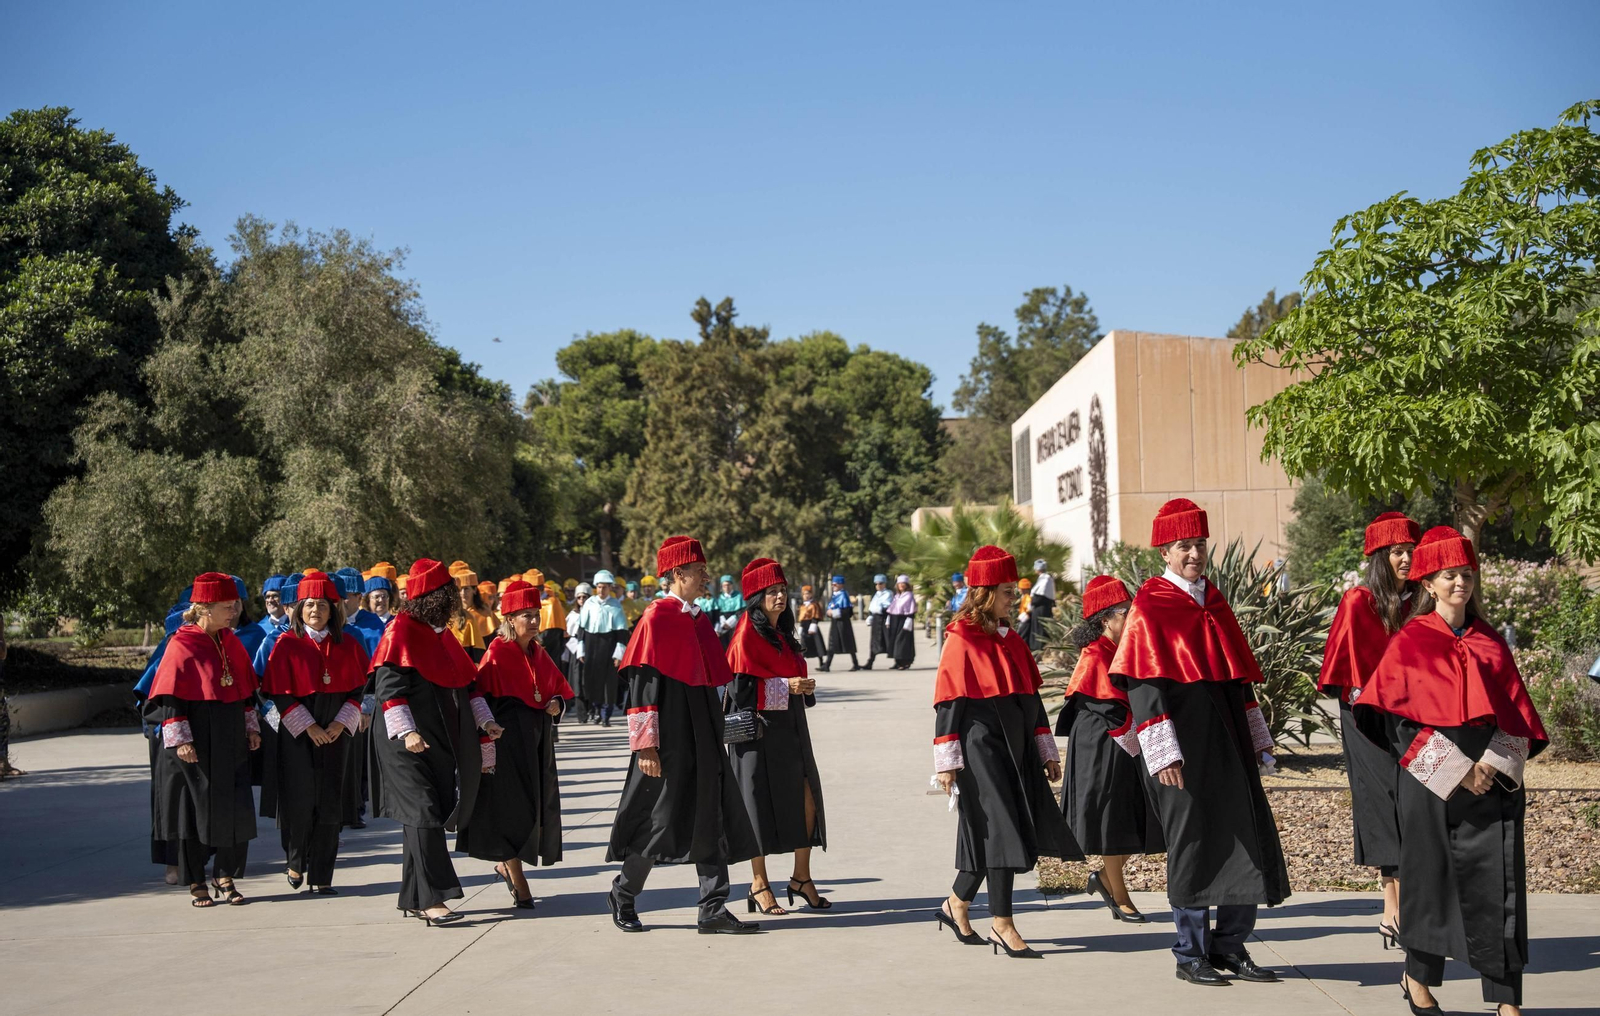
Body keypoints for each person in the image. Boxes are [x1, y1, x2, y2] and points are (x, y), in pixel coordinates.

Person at [1356, 526, 1547, 1016]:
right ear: (1428, 584)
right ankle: (1417, 979)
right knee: (1428, 883)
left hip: (1492, 780)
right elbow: (1395, 724)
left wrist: (1491, 766)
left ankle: (1507, 999)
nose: (1460, 583)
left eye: (1466, 574)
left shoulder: (1491, 643)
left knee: (1498, 884)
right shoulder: (1408, 642)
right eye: (1449, 576)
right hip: (1431, 781)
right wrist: (1456, 771)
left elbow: (1518, 718)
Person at [1110, 498, 1289, 986]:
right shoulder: (1151, 602)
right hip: (1181, 749)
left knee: (1242, 835)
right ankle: (1189, 952)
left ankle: (1230, 947)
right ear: (1165, 551)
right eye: (1184, 546)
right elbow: (1144, 685)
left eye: (1200, 544)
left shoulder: (1214, 600)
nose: (1194, 553)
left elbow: (1238, 679)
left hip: (1227, 740)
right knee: (1191, 843)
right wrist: (1161, 750)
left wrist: (1257, 737)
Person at [606, 535, 760, 935]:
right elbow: (641, 691)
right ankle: (624, 893)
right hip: (669, 737)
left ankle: (713, 908)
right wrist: (646, 746)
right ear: (678, 573)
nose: (706, 577)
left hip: (704, 735)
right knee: (658, 819)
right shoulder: (655, 619)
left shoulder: (698, 620)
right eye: (699, 571)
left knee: (710, 813)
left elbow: (711, 679)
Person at [931, 546, 1077, 957]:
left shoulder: (1010, 637)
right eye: (1009, 591)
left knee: (990, 829)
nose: (1015, 598)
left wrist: (1046, 748)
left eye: (1015, 591)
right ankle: (1003, 924)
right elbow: (949, 703)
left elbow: (1029, 697)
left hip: (1015, 745)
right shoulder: (960, 639)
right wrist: (947, 763)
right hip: (980, 746)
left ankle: (956, 904)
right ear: (985, 592)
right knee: (1000, 829)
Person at [369, 558, 505, 925]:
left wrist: (486, 721)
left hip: (439, 742)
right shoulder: (400, 631)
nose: (454, 598)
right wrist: (408, 731)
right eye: (447, 593)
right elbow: (388, 691)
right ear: (431, 597)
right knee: (424, 812)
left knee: (422, 817)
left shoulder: (443, 634)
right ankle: (435, 898)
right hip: (404, 742)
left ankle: (413, 896)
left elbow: (468, 686)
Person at [1318, 511, 1420, 946]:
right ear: (1380, 556)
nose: (1405, 559)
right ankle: (1390, 907)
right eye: (1397, 552)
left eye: (1411, 551)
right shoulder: (1358, 601)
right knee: (1382, 805)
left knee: (1413, 806)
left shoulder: (1421, 601)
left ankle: (1412, 903)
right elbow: (1349, 669)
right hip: (1366, 719)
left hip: (1414, 717)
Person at [144, 572, 262, 907]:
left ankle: (224, 873)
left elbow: (245, 693)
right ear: (205, 608)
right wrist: (182, 741)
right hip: (194, 742)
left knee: (232, 807)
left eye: (235, 605)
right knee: (194, 811)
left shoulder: (231, 641)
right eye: (227, 606)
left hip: (229, 739)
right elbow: (169, 700)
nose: (234, 611)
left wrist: (251, 728)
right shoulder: (181, 644)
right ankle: (196, 878)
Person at [458, 580, 573, 909]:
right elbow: (478, 694)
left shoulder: (539, 652)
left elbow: (555, 690)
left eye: (536, 615)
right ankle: (517, 877)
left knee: (534, 808)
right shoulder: (497, 651)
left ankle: (508, 865)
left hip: (536, 742)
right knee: (512, 810)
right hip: (507, 742)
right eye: (527, 616)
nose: (535, 622)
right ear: (509, 619)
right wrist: (488, 724)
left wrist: (556, 704)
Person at [726, 558, 830, 916]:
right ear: (756, 597)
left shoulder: (786, 634)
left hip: (791, 729)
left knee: (807, 800)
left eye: (783, 590)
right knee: (756, 805)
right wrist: (787, 686)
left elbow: (793, 680)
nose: (780, 597)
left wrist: (802, 687)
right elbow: (740, 692)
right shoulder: (744, 635)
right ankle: (759, 883)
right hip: (756, 736)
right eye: (772, 592)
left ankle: (802, 877)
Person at [1057, 576, 1162, 922]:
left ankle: (1105, 880)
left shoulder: (1122, 649)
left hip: (1124, 742)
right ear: (1105, 620)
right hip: (1102, 746)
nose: (1132, 617)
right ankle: (1119, 894)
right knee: (1111, 819)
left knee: (1131, 816)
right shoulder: (1094, 653)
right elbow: (1106, 706)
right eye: (1125, 612)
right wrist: (1139, 738)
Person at [259, 569, 368, 895]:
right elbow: (276, 693)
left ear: (333, 610)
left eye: (322, 605)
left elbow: (360, 690)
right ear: (299, 609)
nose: (316, 611)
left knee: (330, 803)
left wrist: (338, 724)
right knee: (300, 800)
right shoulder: (286, 644)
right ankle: (295, 860)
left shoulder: (348, 644)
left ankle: (322, 876)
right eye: (309, 605)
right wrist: (307, 726)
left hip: (337, 734)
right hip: (297, 735)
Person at [576, 570, 630, 726]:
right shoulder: (589, 603)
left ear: (610, 588)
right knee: (592, 680)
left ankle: (607, 714)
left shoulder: (615, 605)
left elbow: (621, 632)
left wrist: (619, 654)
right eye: (599, 587)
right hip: (592, 644)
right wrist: (581, 648)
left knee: (609, 682)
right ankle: (595, 710)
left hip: (609, 644)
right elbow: (582, 629)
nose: (601, 590)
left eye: (605, 587)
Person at [238, 574, 286, 659]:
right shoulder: (258, 629)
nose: (270, 600)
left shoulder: (296, 626)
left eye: (275, 596)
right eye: (267, 597)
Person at [450, 569, 490, 662]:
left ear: (475, 590)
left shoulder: (485, 614)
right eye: (460, 589)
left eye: (466, 589)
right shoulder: (447, 617)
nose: (463, 593)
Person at [824, 575, 861, 671]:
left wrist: (834, 613)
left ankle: (855, 663)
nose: (833, 586)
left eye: (835, 584)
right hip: (835, 623)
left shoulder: (844, 595)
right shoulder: (834, 596)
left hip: (843, 624)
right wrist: (829, 613)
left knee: (848, 643)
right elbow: (830, 607)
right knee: (832, 643)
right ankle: (827, 665)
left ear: (841, 585)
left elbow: (847, 611)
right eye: (832, 584)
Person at [886, 575, 917, 670]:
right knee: (894, 641)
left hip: (904, 620)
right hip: (894, 620)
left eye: (903, 583)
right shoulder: (897, 596)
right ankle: (897, 661)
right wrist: (888, 620)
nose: (901, 585)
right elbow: (892, 609)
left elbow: (911, 611)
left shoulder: (909, 595)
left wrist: (908, 621)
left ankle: (904, 662)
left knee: (902, 641)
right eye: (899, 583)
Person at [1027, 558, 1056, 653]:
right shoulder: (1043, 578)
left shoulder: (1046, 578)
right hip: (1039, 608)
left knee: (1040, 628)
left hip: (1042, 608)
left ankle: (1038, 648)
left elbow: (1041, 595)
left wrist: (1032, 601)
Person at [796, 585, 828, 668]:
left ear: (811, 594)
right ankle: (801, 663)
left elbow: (817, 615)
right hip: (805, 626)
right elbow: (801, 617)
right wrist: (801, 627)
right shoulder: (802, 606)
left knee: (817, 644)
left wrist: (814, 624)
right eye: (804, 594)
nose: (806, 596)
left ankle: (821, 662)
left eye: (807, 594)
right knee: (803, 645)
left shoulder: (814, 604)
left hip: (812, 625)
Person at [864, 574, 892, 669]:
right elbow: (873, 607)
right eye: (876, 584)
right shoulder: (876, 595)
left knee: (888, 640)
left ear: (884, 584)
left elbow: (887, 607)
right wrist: (870, 616)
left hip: (884, 619)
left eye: (880, 583)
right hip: (876, 620)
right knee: (874, 641)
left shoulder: (888, 593)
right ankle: (870, 661)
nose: (878, 586)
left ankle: (898, 660)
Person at [713, 574, 745, 646]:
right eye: (724, 586)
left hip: (736, 623)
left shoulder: (739, 596)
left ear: (732, 585)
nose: (727, 587)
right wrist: (722, 622)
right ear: (722, 587)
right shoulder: (720, 598)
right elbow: (718, 613)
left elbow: (742, 610)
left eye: (728, 585)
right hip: (723, 625)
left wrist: (731, 621)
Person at [1015, 577, 1034, 649]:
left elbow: (1029, 609)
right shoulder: (1024, 597)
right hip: (1023, 619)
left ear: (1023, 589)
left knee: (1022, 637)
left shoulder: (1028, 598)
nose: (1019, 590)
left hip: (1025, 621)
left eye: (1020, 588)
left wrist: (1022, 617)